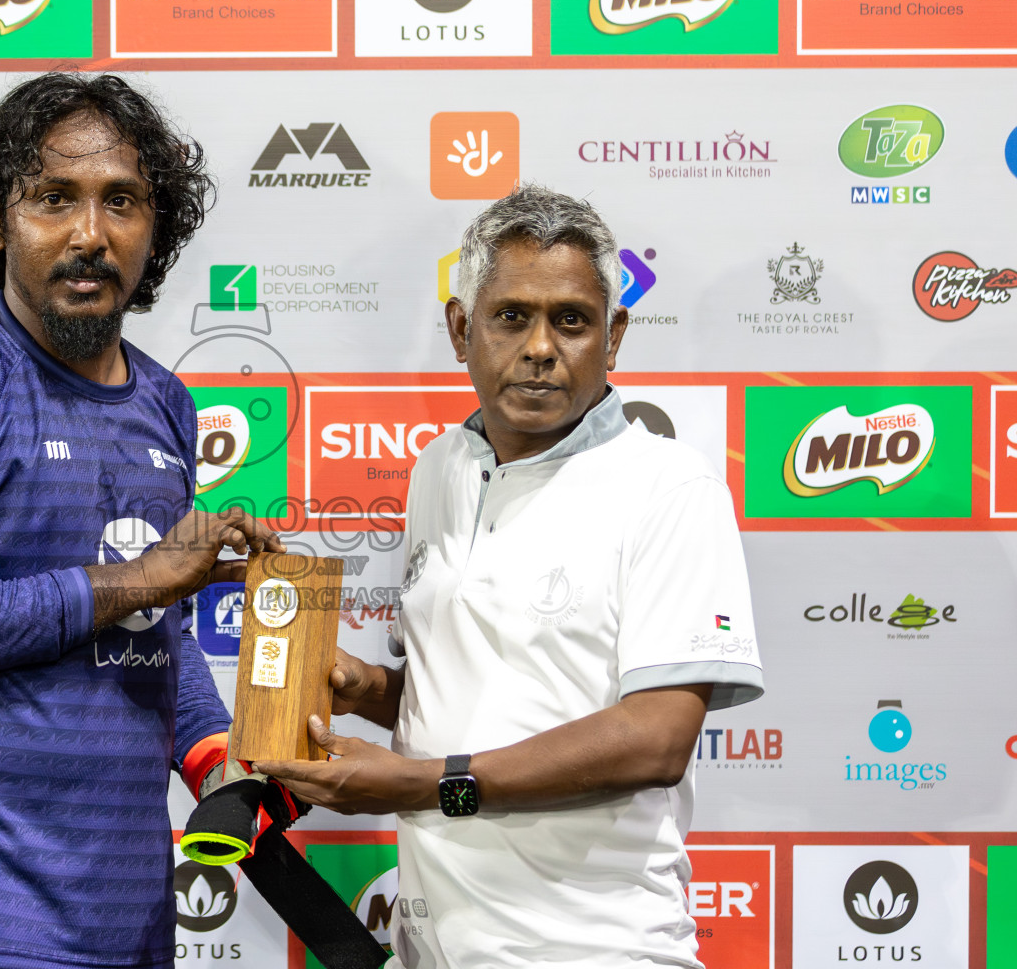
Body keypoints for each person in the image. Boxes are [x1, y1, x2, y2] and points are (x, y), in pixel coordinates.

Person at [0, 72, 285, 969]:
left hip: (130, 924)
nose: (90, 234)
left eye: (121, 201)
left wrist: (214, 760)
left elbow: (152, 633)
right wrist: (141, 577)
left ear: (156, 227)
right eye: (54, 199)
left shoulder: (166, 404)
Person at [257, 185, 764, 969]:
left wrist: (426, 784)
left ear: (614, 336)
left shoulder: (670, 486)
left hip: (595, 951)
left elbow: (656, 738)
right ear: (462, 329)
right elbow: (488, 694)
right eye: (510, 316)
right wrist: (372, 690)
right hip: (434, 947)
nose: (539, 346)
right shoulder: (439, 470)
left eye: (571, 320)